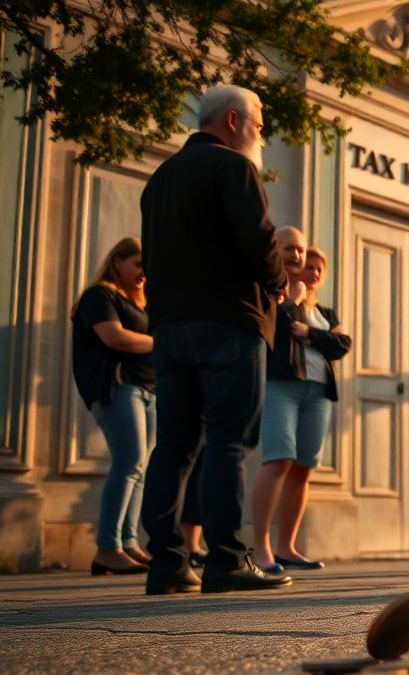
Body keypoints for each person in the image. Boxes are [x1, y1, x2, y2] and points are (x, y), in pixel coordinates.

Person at [138, 84, 293, 594]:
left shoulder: (158, 180)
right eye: (259, 123)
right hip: (229, 322)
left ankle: (166, 563)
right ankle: (226, 560)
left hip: (169, 329)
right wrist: (278, 282)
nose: (261, 134)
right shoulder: (234, 168)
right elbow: (257, 237)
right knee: (229, 442)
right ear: (232, 121)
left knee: (174, 447)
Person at [251, 236, 350, 572]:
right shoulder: (272, 298)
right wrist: (291, 304)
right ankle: (260, 548)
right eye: (310, 266)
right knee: (279, 460)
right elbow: (273, 332)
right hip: (281, 386)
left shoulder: (324, 312)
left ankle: (287, 548)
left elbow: (341, 344)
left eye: (319, 268)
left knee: (303, 469)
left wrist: (307, 332)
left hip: (318, 392)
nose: (314, 272)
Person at [70, 237, 155, 576]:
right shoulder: (99, 296)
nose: (143, 273)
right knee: (130, 461)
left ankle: (129, 543)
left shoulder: (140, 304)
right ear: (117, 261)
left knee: (140, 468)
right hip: (118, 387)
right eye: (137, 264)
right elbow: (114, 337)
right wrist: (160, 342)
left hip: (148, 389)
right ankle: (108, 547)